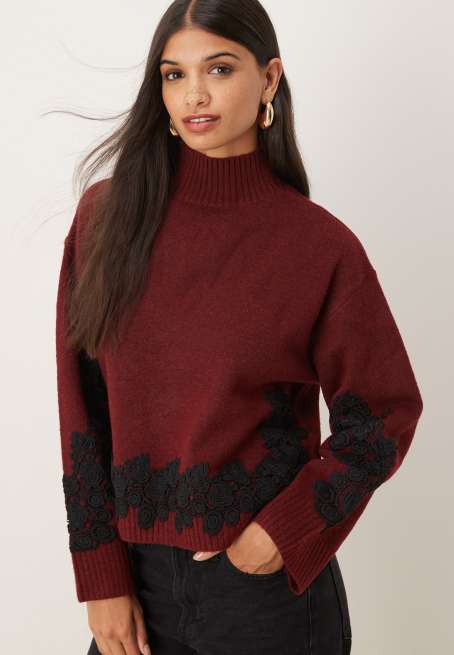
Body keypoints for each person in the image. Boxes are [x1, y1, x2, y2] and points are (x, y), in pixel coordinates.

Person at [55, 1, 424, 654]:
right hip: (136, 587)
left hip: (266, 598)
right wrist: (100, 576)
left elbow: (384, 415)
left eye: (219, 69)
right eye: (174, 74)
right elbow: (81, 401)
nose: (193, 95)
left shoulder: (317, 247)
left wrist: (284, 531)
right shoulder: (107, 219)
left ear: (269, 78)